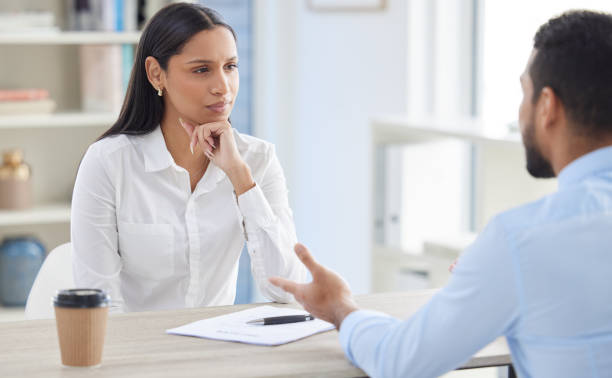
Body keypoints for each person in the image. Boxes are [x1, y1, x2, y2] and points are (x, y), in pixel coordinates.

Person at [270, 10, 612, 378]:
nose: (521, 111)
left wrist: (339, 307)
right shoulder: (522, 246)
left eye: (524, 93)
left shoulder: (522, 241)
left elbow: (399, 360)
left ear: (547, 106)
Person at [71, 3, 306, 312]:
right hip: (137, 353)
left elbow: (288, 290)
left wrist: (239, 177)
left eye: (230, 66)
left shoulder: (257, 160)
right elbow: (99, 302)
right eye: (201, 70)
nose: (223, 88)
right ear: (157, 74)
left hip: (218, 348)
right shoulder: (108, 163)